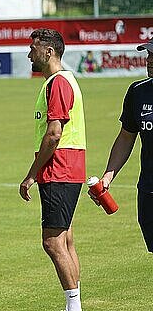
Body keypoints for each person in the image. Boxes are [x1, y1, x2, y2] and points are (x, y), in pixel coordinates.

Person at [19, 29, 86, 311]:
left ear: (48, 52)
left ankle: (74, 305)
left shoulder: (58, 83)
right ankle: (75, 303)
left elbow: (54, 133)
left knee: (52, 242)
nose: (28, 54)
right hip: (69, 168)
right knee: (65, 239)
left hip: (59, 169)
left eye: (33, 49)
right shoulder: (62, 80)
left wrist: (32, 173)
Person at [99, 38, 153, 253]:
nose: (148, 60)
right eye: (148, 55)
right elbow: (126, 137)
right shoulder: (137, 92)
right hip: (149, 189)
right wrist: (108, 176)